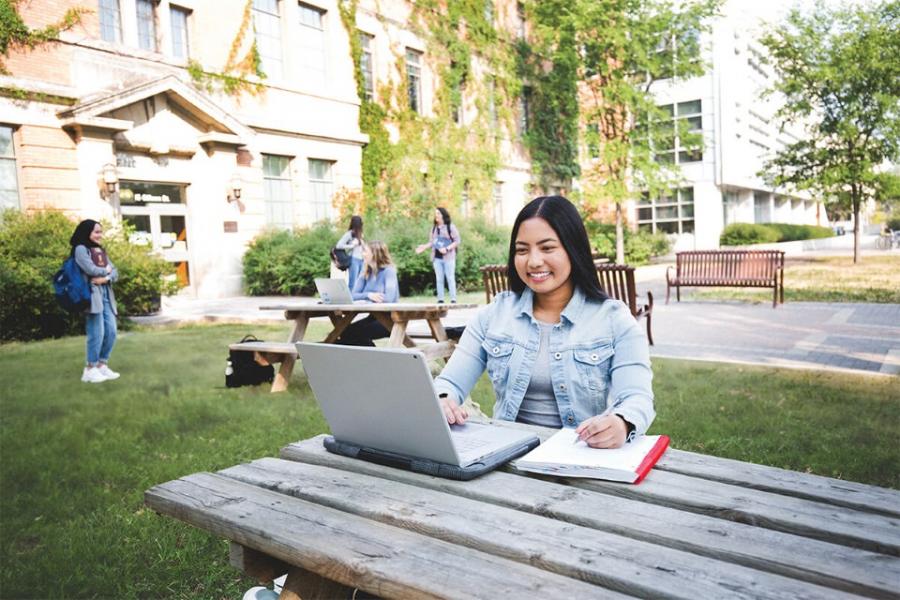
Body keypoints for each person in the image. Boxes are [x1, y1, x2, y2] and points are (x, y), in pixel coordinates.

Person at [433, 196, 654, 448]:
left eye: (547, 248)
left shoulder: (613, 319)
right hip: (507, 454)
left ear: (573, 249)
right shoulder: (494, 314)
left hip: (580, 456)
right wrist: (443, 399)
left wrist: (622, 423)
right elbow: (449, 383)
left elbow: (637, 397)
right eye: (522, 250)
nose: (534, 261)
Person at [70, 219, 121, 384]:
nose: (100, 235)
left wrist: (105, 277)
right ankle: (90, 369)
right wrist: (106, 271)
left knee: (111, 331)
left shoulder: (98, 250)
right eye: (96, 232)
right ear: (87, 233)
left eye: (100, 232)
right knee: (96, 333)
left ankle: (101, 365)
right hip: (92, 295)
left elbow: (115, 272)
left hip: (106, 294)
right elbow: (90, 269)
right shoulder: (80, 249)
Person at [334, 240, 399, 346]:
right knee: (343, 332)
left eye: (365, 251)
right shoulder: (366, 271)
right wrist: (369, 295)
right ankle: (371, 355)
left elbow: (389, 298)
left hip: (390, 321)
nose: (362, 254)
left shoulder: (389, 271)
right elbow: (352, 295)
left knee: (347, 334)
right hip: (373, 318)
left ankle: (372, 356)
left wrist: (365, 298)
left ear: (375, 254)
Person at [415, 207, 460, 304]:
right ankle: (440, 299)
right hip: (437, 258)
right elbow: (432, 242)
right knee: (439, 279)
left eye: (438, 213)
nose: (436, 215)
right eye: (435, 213)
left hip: (449, 257)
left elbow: (457, 241)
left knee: (450, 278)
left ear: (443, 215)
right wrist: (423, 247)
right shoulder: (434, 229)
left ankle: (453, 299)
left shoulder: (450, 227)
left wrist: (447, 249)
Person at [335, 215, 365, 290]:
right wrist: (351, 246)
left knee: (359, 282)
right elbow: (338, 245)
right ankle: (350, 300)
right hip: (354, 259)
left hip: (362, 259)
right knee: (353, 282)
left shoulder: (360, 234)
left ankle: (357, 299)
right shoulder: (350, 234)